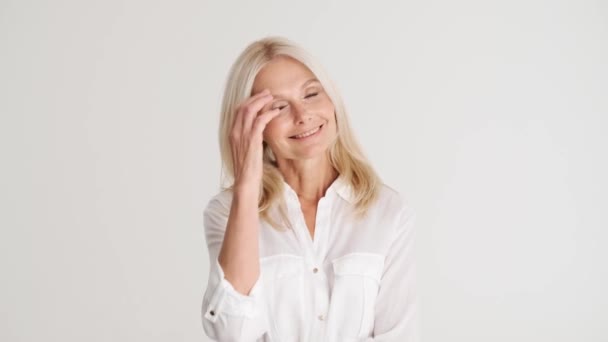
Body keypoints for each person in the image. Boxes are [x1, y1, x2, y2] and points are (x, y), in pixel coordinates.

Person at [201, 36, 419, 342]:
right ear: (252, 125)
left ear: (332, 100)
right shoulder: (226, 212)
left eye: (311, 94)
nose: (302, 115)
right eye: (278, 106)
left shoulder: (387, 210)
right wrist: (247, 188)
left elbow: (398, 336)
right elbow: (231, 332)